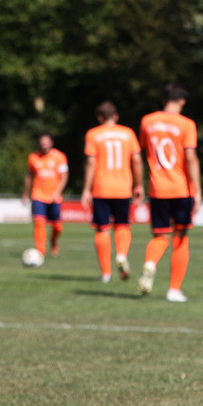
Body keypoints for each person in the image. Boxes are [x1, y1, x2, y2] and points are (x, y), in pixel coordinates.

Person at [137, 83, 201, 302]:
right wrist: (198, 189)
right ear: (182, 101)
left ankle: (150, 263)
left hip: (157, 188)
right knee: (180, 238)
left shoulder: (147, 121)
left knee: (160, 235)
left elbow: (145, 150)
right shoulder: (187, 124)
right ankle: (174, 289)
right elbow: (190, 157)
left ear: (164, 99)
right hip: (181, 188)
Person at [80, 102, 144, 283]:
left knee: (102, 229)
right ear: (116, 116)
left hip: (101, 188)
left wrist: (86, 189)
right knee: (122, 225)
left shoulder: (93, 134)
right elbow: (137, 160)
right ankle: (122, 254)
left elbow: (91, 163)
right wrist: (139, 185)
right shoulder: (128, 133)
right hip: (123, 187)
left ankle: (106, 273)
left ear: (99, 118)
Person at [23, 133, 69, 259]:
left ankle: (53, 241)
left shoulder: (59, 156)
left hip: (55, 196)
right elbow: (29, 176)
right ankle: (40, 251)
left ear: (51, 143)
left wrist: (57, 192)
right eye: (42, 142)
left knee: (57, 227)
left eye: (46, 142)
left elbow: (64, 176)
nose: (44, 145)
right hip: (38, 195)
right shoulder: (33, 157)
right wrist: (25, 194)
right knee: (39, 223)